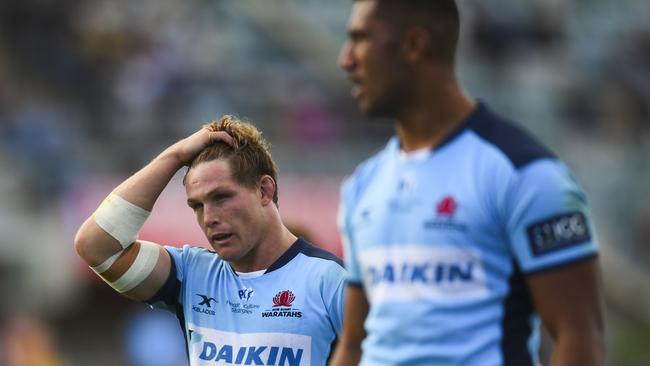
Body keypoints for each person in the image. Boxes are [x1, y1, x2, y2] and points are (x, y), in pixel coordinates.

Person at [330, 1, 605, 365]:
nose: (346, 60)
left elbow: (579, 336)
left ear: (414, 44)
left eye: (360, 39)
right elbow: (354, 345)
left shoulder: (526, 174)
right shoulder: (363, 185)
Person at [74, 116, 346, 365]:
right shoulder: (191, 275)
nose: (209, 218)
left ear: (264, 190)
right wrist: (175, 156)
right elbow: (96, 247)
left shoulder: (330, 280)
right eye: (197, 206)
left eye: (221, 198)